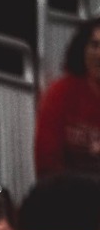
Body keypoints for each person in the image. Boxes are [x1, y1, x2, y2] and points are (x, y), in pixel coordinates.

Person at [38, 16, 100, 178]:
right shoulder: (61, 91)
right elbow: (46, 159)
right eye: (94, 45)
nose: (99, 54)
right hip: (68, 185)